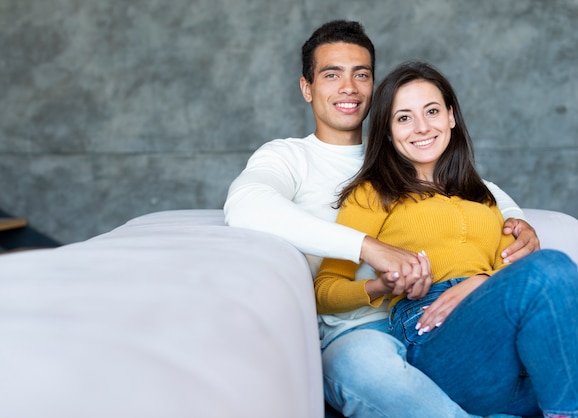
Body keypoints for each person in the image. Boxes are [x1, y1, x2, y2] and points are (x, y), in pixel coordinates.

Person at [224, 20, 540, 418]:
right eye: (331, 74)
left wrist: (516, 221)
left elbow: (478, 194)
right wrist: (369, 248)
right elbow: (247, 204)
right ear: (306, 88)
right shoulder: (290, 157)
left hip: (441, 313)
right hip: (359, 327)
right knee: (361, 364)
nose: (349, 87)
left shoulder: (409, 143)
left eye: (361, 74)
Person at [314, 61, 578, 418]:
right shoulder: (373, 194)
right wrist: (379, 285)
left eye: (432, 111)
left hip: (509, 362)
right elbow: (325, 290)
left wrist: (480, 284)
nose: (422, 127)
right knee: (553, 266)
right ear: (388, 132)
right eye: (404, 118)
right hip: (434, 336)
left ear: (451, 117)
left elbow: (515, 276)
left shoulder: (483, 197)